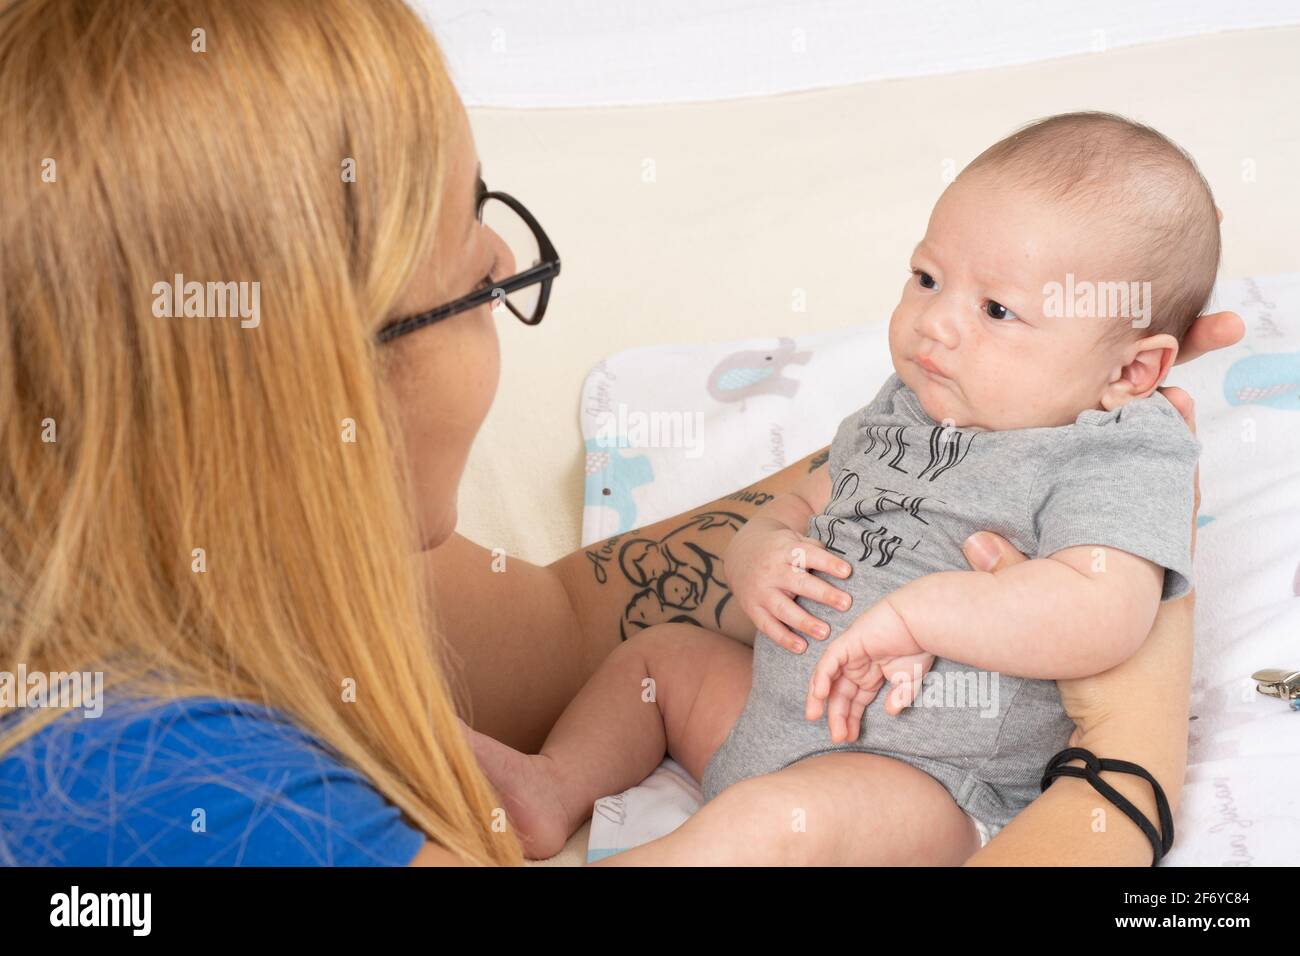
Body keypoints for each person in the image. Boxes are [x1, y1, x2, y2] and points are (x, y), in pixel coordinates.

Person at [0, 0, 1244, 866]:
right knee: (695, 704)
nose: (500, 254)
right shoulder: (167, 793)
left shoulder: (142, 562)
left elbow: (554, 618)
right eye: (475, 270)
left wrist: (1003, 427)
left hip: (914, 762)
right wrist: (1123, 758)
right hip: (794, 723)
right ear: (298, 391)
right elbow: (749, 564)